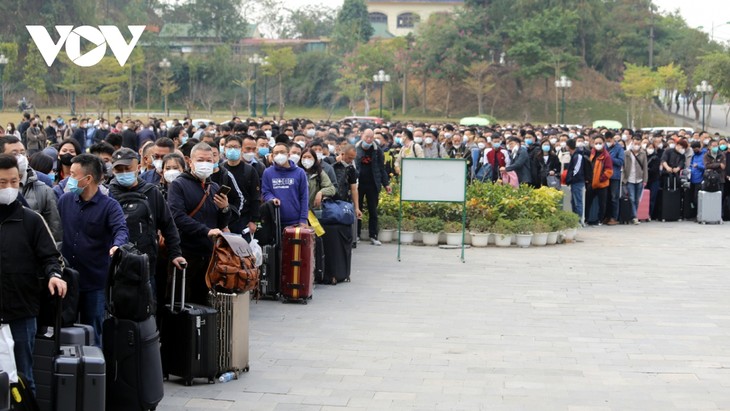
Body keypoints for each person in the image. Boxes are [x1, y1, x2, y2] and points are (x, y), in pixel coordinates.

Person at [0, 154, 66, 394]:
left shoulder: (32, 220)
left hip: (22, 311)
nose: (9, 188)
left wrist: (54, 275)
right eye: (2, 182)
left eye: (14, 182)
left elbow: (50, 256)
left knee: (24, 377)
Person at [57, 154, 129, 345]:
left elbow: (121, 229)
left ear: (87, 179)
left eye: (73, 175)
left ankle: (95, 371)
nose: (68, 179)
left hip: (94, 281)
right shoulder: (65, 200)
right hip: (67, 279)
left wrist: (116, 246)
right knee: (63, 329)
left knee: (93, 330)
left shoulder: (109, 206)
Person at [107, 148, 186, 315]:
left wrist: (175, 253)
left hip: (146, 264)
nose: (123, 173)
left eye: (127, 169)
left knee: (148, 310)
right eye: (118, 170)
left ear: (138, 167)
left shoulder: (151, 192)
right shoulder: (108, 193)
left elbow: (168, 224)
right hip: (116, 265)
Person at [167, 143, 232, 305]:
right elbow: (177, 217)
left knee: (203, 301)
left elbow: (221, 222)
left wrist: (225, 208)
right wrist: (206, 231)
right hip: (186, 252)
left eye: (209, 160)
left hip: (209, 255)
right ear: (190, 161)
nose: (205, 164)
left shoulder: (214, 187)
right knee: (182, 301)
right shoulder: (179, 185)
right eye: (200, 160)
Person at [0, 136, 62, 241]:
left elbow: (54, 231)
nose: (20, 157)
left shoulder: (43, 186)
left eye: (23, 153)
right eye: (14, 153)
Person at [261, 142, 309, 227]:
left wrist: (303, 219)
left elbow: (304, 197)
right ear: (272, 156)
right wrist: (272, 199)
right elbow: (265, 192)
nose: (279, 155)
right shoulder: (267, 172)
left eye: (282, 152)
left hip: (295, 221)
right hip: (274, 220)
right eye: (276, 153)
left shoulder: (300, 172)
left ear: (288, 154)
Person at [356, 129, 391, 246]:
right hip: (358, 185)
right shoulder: (356, 148)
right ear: (362, 136)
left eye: (371, 137)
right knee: (357, 209)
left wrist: (386, 184)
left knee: (373, 211)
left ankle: (373, 235)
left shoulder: (377, 151)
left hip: (373, 184)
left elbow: (382, 169)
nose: (369, 140)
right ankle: (356, 234)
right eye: (367, 137)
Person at [222, 135, 261, 236]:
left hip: (244, 219)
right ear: (224, 149)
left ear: (241, 149)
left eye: (236, 147)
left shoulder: (249, 170)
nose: (232, 150)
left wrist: (254, 220)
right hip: (224, 218)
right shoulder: (221, 170)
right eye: (229, 147)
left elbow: (255, 197)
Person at [585, 136, 613, 226]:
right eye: (596, 143)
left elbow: (609, 171)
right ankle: (586, 218)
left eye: (600, 143)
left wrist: (600, 179)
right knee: (587, 201)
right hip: (591, 182)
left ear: (603, 144)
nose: (598, 145)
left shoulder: (606, 156)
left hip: (602, 184)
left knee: (602, 203)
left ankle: (600, 219)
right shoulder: (591, 153)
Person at [300, 148, 336, 212]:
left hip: (314, 210)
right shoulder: (296, 172)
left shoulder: (319, 173)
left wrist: (321, 192)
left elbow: (332, 188)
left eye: (309, 157)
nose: (306, 159)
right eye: (304, 157)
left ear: (314, 159)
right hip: (298, 210)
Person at [621, 139, 648, 225]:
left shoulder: (643, 153)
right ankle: (635, 217)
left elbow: (645, 167)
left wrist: (645, 179)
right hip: (629, 179)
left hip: (639, 179)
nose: (636, 145)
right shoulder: (626, 153)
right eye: (635, 143)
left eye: (638, 144)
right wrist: (623, 179)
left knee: (637, 199)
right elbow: (624, 167)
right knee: (632, 198)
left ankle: (634, 215)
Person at [564, 139, 586, 222]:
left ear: (568, 146)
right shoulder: (573, 155)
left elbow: (577, 170)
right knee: (573, 202)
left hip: (577, 181)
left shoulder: (578, 155)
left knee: (577, 202)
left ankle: (579, 221)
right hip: (574, 182)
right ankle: (575, 220)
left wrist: (570, 178)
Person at [606, 132, 624, 225]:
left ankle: (614, 217)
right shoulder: (604, 147)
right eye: (607, 141)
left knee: (614, 197)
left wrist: (610, 158)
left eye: (610, 140)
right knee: (606, 197)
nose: (608, 142)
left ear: (613, 139)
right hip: (604, 176)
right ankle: (606, 216)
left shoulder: (619, 148)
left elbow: (621, 162)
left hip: (614, 176)